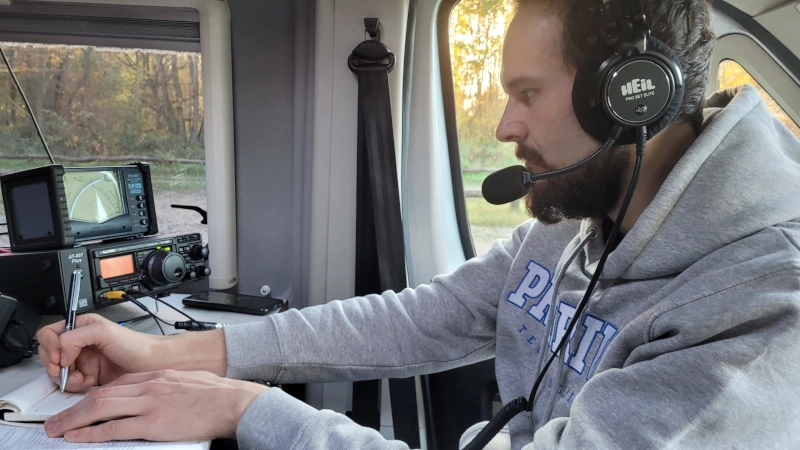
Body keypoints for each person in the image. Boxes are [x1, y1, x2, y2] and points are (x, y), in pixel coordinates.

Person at [37, 0, 800, 449]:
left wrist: (245, 409)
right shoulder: (579, 216)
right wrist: (168, 354)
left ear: (631, 95)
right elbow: (421, 319)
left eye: (528, 93)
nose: (505, 127)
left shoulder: (761, 308)